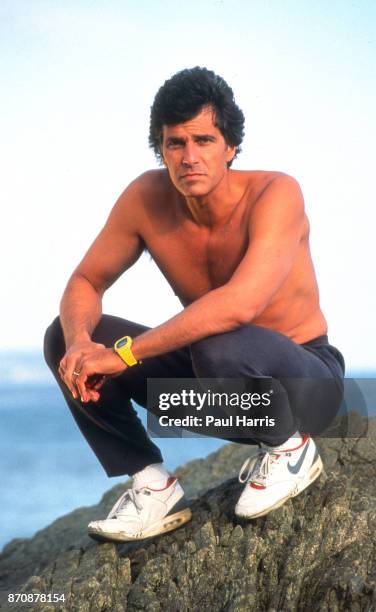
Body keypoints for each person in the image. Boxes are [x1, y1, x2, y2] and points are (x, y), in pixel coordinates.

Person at [44, 67, 345, 542]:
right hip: (219, 392)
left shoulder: (275, 193)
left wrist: (122, 355)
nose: (189, 157)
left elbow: (238, 306)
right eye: (174, 144)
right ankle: (151, 485)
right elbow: (85, 279)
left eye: (203, 140)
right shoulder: (146, 198)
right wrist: (83, 342)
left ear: (230, 146)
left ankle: (291, 449)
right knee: (64, 338)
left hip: (307, 383)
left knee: (218, 344)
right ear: (160, 150)